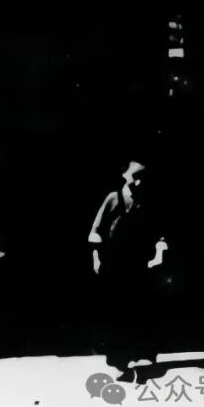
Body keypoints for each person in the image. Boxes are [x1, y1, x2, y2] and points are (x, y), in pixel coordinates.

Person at [88, 158, 168, 380]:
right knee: (117, 311)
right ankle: (118, 358)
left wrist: (159, 254)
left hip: (138, 263)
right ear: (125, 175)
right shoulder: (114, 198)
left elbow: (159, 233)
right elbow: (97, 231)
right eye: (136, 177)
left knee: (139, 309)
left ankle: (143, 354)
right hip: (115, 263)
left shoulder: (148, 202)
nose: (139, 182)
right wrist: (96, 257)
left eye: (143, 178)